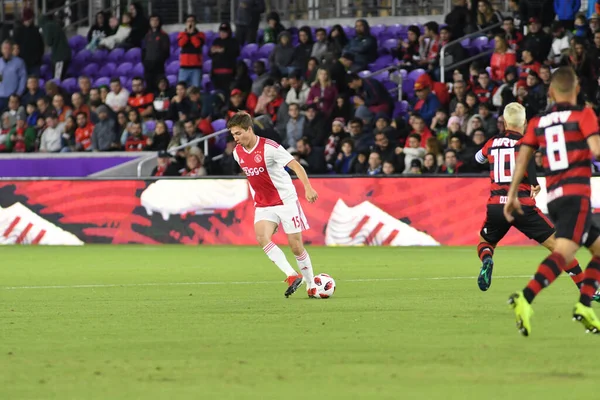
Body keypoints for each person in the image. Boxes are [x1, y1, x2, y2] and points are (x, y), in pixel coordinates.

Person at [503, 67, 600, 336]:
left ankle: (585, 305)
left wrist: (512, 194)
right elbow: (596, 150)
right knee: (564, 254)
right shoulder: (584, 114)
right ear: (577, 89)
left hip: (554, 198)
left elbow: (522, 158)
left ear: (550, 91)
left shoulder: (537, 122)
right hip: (576, 195)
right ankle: (526, 297)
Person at [474, 101, 585, 293]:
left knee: (485, 243)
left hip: (497, 206)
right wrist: (534, 182)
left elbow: (478, 159)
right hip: (521, 204)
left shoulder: (491, 142)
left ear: (505, 122)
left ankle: (487, 260)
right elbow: (530, 162)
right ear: (524, 122)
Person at [227, 111, 319, 298]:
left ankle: (311, 283)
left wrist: (308, 188)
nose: (235, 138)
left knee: (295, 246)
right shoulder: (237, 153)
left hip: (285, 201)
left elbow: (296, 166)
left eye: (238, 133)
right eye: (233, 135)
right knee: (262, 237)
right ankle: (292, 275)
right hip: (263, 204)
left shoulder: (270, 147)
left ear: (249, 129)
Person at [38, 14, 71, 80]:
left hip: (60, 57)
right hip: (64, 54)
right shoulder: (55, 24)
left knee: (57, 79)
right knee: (60, 77)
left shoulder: (47, 26)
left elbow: (49, 42)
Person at [13, 8, 44, 77]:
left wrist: (38, 58)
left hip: (35, 64)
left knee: (34, 83)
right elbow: (15, 47)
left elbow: (41, 46)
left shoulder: (36, 30)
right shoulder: (18, 31)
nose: (28, 21)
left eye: (29, 18)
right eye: (26, 19)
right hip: (23, 64)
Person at [142, 15, 170, 93]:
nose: (154, 22)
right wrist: (145, 62)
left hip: (159, 66)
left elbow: (166, 51)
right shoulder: (147, 35)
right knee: (149, 86)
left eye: (156, 20)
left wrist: (159, 60)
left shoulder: (164, 35)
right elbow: (143, 50)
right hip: (148, 66)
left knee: (159, 86)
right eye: (152, 20)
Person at [210, 22, 240, 94]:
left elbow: (236, 53)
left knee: (227, 93)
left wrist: (223, 50)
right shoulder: (216, 41)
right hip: (216, 73)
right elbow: (210, 53)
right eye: (221, 31)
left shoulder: (233, 41)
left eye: (225, 31)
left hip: (228, 73)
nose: (223, 33)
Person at [178, 15, 205, 89]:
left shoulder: (201, 35)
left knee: (195, 89)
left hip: (196, 67)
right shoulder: (181, 34)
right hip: (184, 67)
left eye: (192, 21)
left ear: (195, 23)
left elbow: (197, 44)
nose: (190, 23)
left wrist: (192, 34)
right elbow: (181, 43)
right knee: (181, 88)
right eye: (188, 21)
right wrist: (187, 34)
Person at [0, 40, 27, 112]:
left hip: (13, 97)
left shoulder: (19, 62)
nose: (7, 51)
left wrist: (18, 93)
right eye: (5, 48)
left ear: (12, 50)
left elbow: (23, 78)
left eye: (9, 48)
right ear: (1, 50)